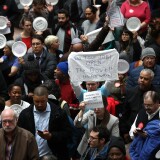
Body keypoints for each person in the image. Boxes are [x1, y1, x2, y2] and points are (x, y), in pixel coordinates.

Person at [18, 86, 72, 160]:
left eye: (42, 101)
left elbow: (68, 134)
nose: (40, 104)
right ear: (33, 98)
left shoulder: (59, 113)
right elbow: (19, 135)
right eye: (37, 101)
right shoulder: (25, 114)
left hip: (54, 155)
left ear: (47, 97)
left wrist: (51, 136)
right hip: (30, 156)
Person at [120, 68, 160, 143]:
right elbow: (125, 114)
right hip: (131, 131)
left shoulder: (157, 94)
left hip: (152, 133)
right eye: (141, 77)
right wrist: (125, 132)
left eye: (146, 79)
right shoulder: (131, 92)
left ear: (151, 80)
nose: (142, 80)